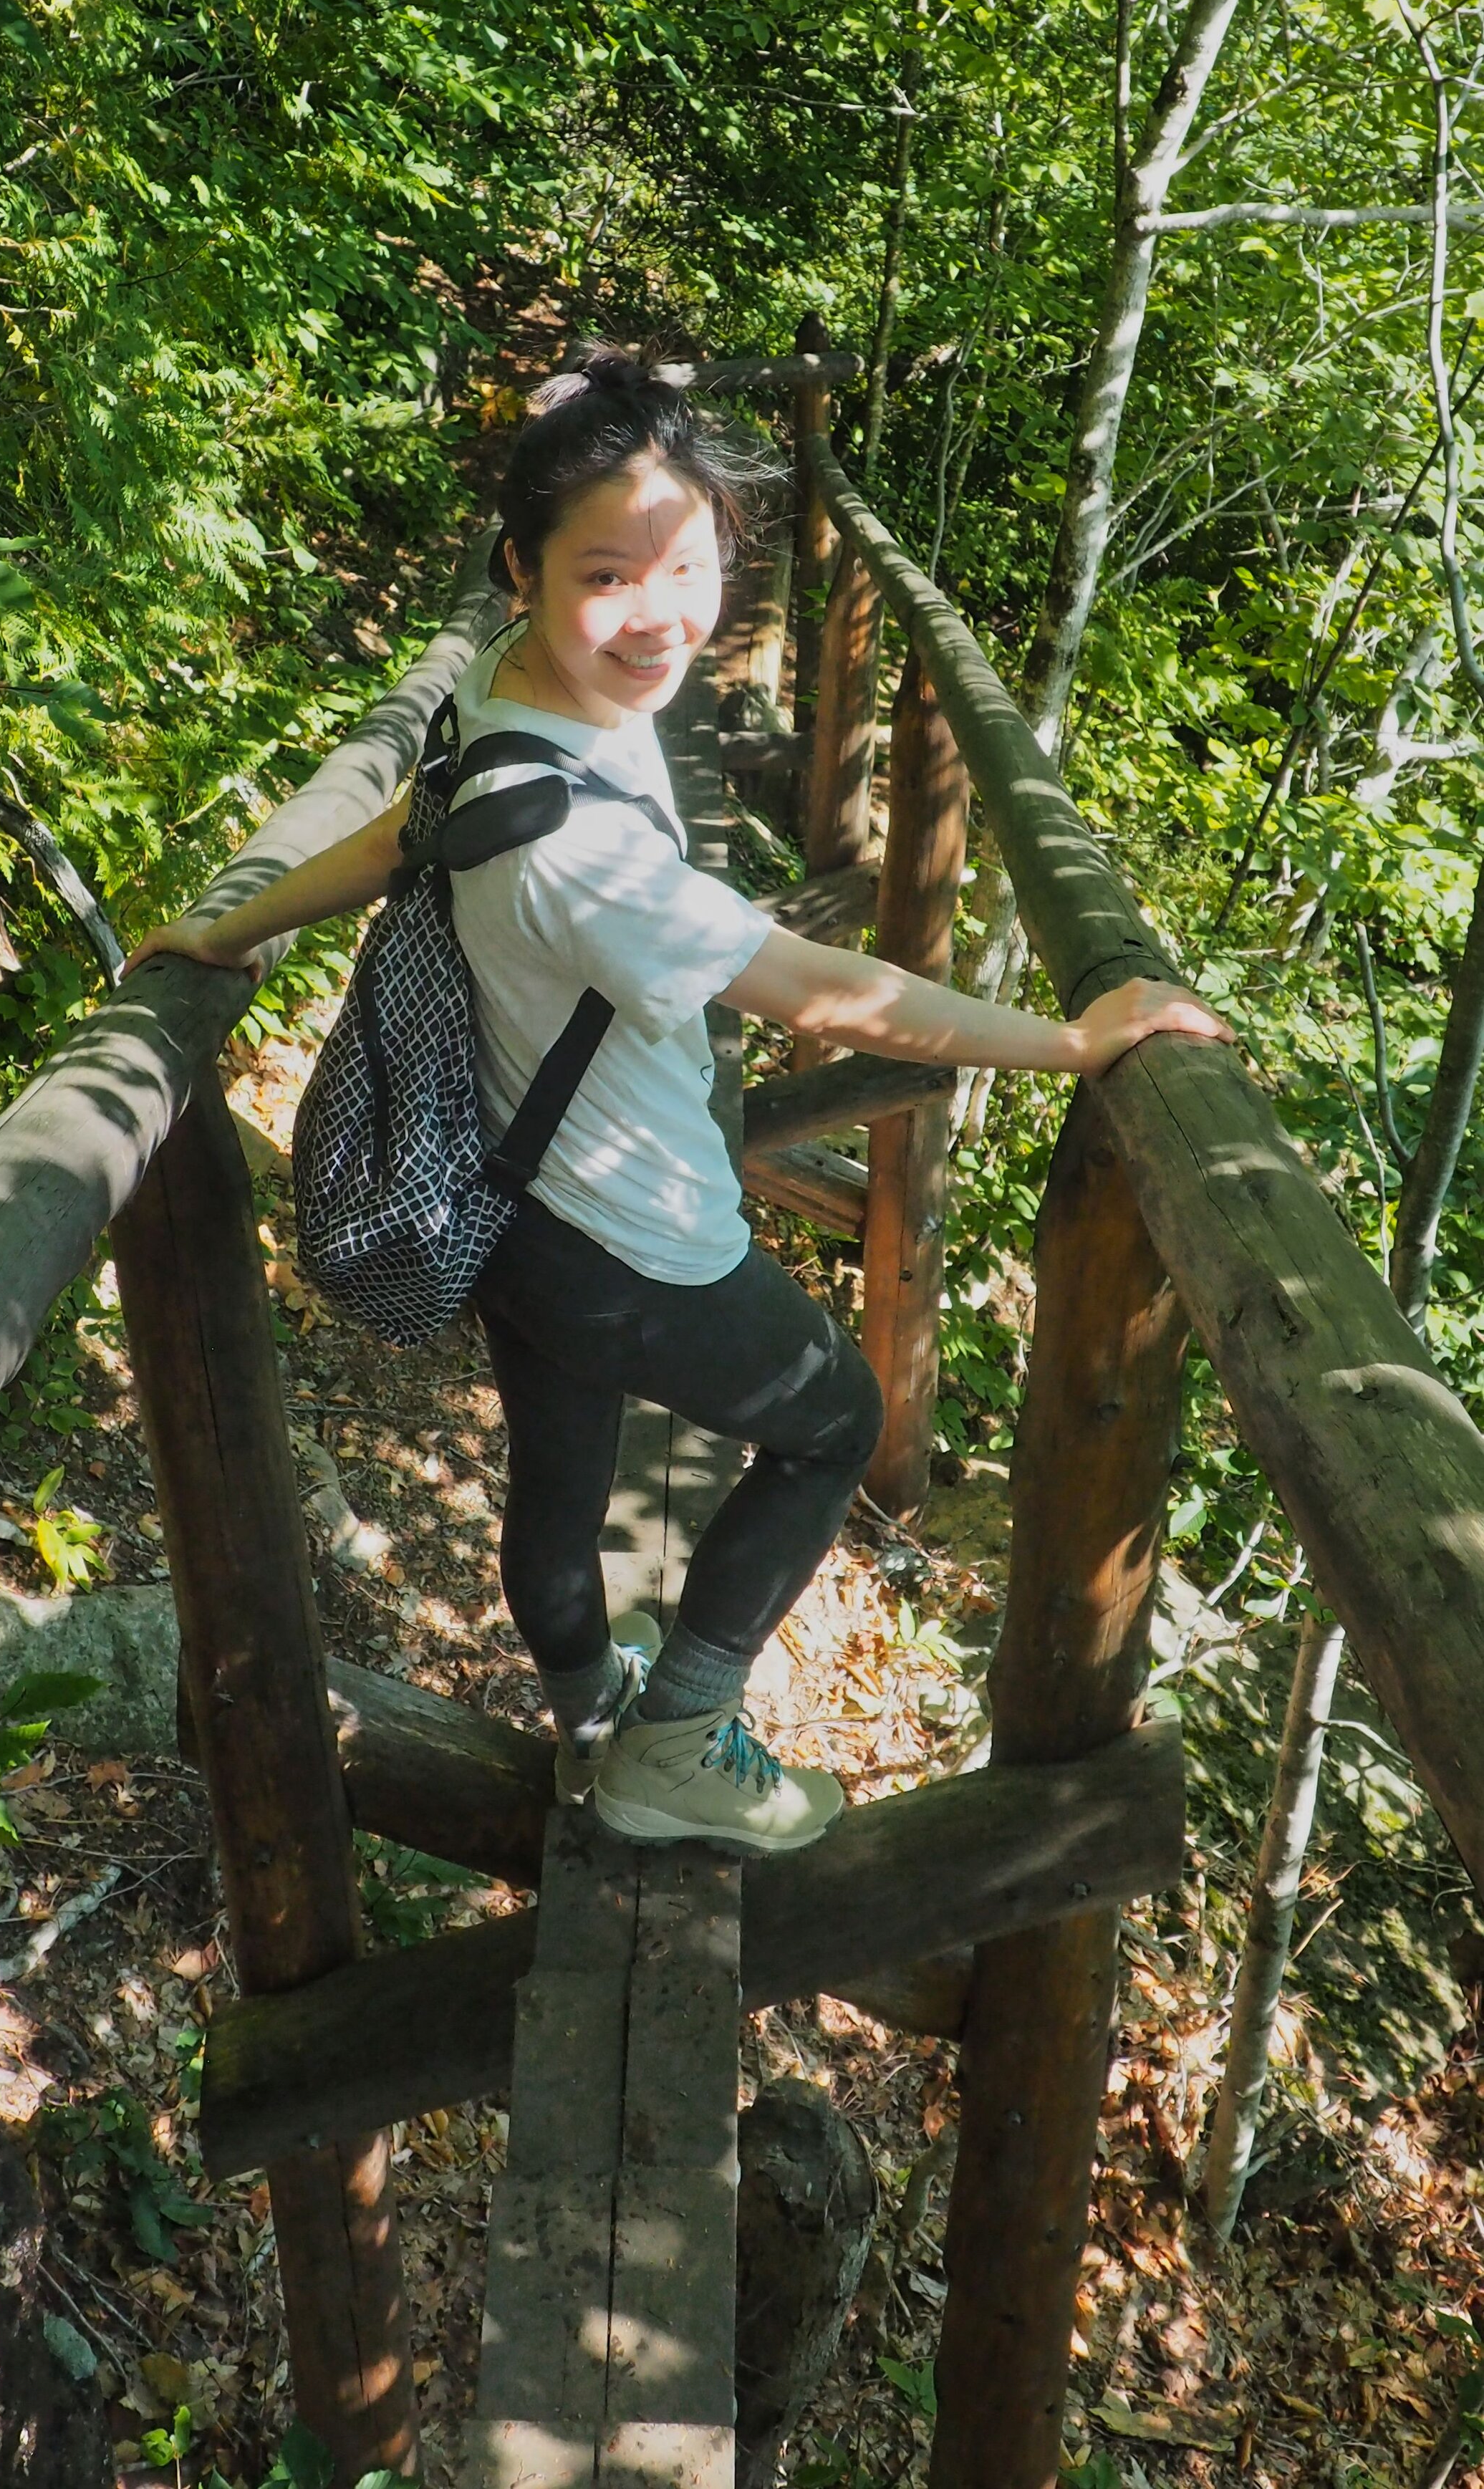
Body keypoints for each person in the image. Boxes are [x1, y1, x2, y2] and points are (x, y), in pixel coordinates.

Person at [126, 345, 1229, 1856]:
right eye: (607, 573)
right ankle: (672, 1740)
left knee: (562, 1475)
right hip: (623, 1224)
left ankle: (589, 1714)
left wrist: (233, 923)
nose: (658, 614)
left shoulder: (503, 689)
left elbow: (407, 829)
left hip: (504, 1198)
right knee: (830, 1421)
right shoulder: (585, 854)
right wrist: (1074, 1036)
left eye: (690, 562)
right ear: (518, 568)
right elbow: (814, 987)